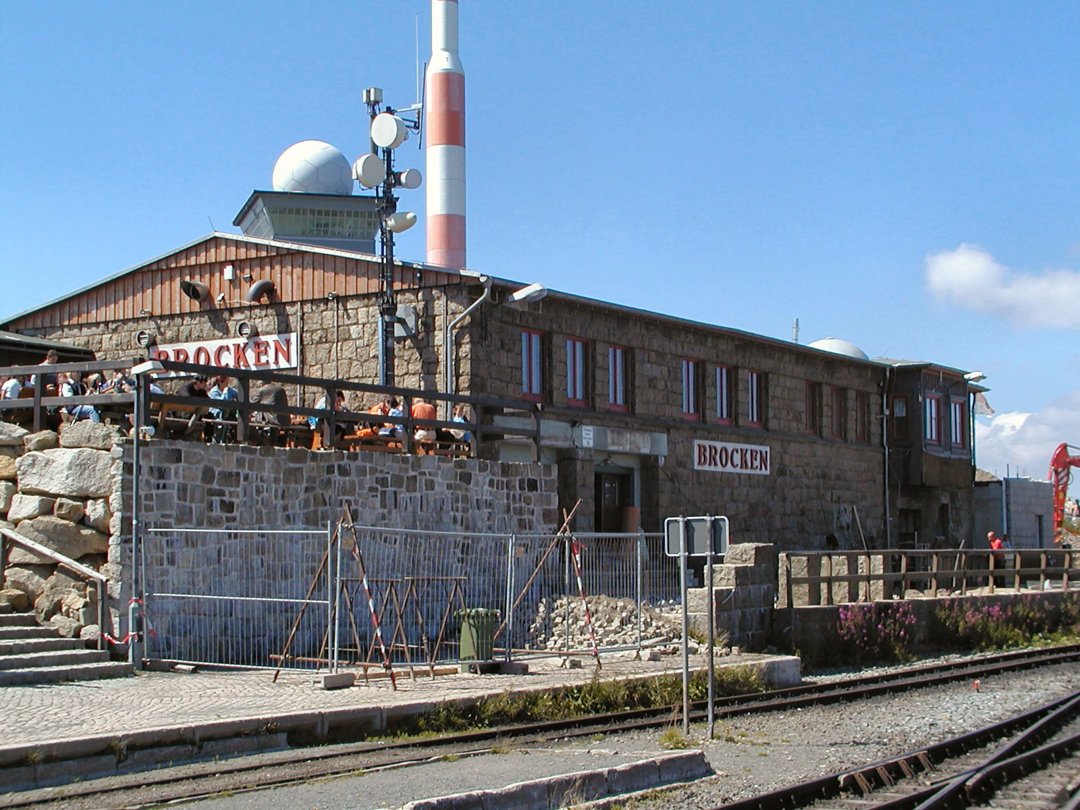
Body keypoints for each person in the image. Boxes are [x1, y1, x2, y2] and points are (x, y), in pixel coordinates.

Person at [206, 375, 238, 443]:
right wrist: (225, 392)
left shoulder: (230, 390)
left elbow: (237, 395)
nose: (228, 383)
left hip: (228, 417)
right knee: (217, 438)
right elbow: (222, 404)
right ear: (221, 382)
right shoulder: (214, 392)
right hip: (217, 418)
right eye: (226, 381)